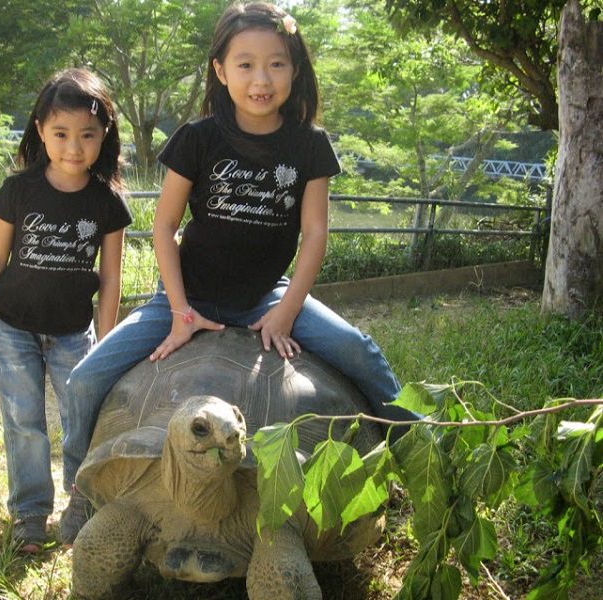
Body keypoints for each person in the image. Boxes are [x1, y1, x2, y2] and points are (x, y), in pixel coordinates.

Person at [65, 0, 417, 541]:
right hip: (188, 296)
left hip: (265, 295)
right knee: (85, 377)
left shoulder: (309, 145)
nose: (261, 78)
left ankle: (419, 458)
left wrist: (287, 310)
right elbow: (163, 228)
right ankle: (79, 496)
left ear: (294, 70)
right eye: (246, 64)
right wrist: (180, 312)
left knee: (359, 352)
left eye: (276, 63)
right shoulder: (198, 138)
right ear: (220, 70)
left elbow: (316, 232)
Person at [0, 68, 132, 553]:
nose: (73, 147)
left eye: (87, 135)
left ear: (104, 136)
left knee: (80, 419)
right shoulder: (19, 191)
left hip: (73, 333)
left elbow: (110, 278)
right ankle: (29, 513)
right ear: (40, 130)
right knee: (23, 420)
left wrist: (105, 341)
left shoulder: (107, 202)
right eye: (61, 134)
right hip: (13, 328)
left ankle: (82, 501)